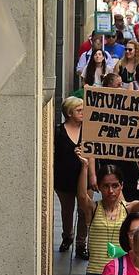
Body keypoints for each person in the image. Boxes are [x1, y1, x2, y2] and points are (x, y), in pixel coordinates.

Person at [78, 161, 130, 275]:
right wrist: (85, 167)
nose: (111, 190)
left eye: (115, 185)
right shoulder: (93, 209)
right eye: (106, 186)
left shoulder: (129, 208)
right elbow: (81, 196)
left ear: (121, 186)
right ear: (99, 187)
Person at [54, 97, 88, 255]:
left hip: (85, 177)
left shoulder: (88, 130)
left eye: (83, 109)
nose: (82, 113)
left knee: (84, 210)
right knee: (67, 211)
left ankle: (82, 243)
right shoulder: (58, 132)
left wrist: (93, 175)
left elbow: (93, 155)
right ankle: (67, 236)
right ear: (69, 113)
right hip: (64, 179)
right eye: (78, 110)